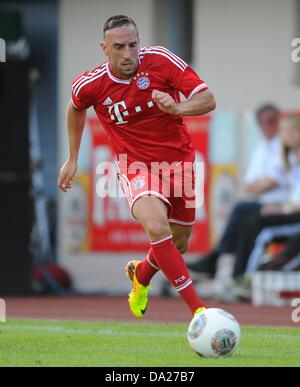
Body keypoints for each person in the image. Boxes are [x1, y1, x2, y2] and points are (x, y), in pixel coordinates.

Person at [58, 15, 216, 317]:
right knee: (157, 227)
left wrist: (178, 107)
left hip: (179, 163)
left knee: (178, 243)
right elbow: (75, 106)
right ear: (104, 48)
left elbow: (208, 99)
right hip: (135, 166)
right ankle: (199, 312)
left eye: (133, 44)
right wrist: (73, 157)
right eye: (119, 47)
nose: (128, 53)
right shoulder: (91, 84)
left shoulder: (160, 60)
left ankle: (140, 275)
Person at [188, 104, 288, 276]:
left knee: (242, 210)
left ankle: (219, 259)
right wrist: (262, 184)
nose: (268, 126)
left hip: (282, 205)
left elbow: (273, 181)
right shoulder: (262, 147)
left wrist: (262, 184)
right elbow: (250, 183)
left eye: (272, 121)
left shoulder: (284, 146)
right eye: (263, 122)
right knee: (242, 217)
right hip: (264, 203)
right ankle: (225, 264)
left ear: (278, 121)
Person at [233, 114, 300, 276]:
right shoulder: (290, 158)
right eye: (284, 132)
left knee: (259, 226)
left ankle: (247, 277)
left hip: (295, 214)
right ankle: (236, 274)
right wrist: (282, 207)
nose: (287, 135)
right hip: (292, 210)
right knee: (247, 218)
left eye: (292, 131)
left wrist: (281, 209)